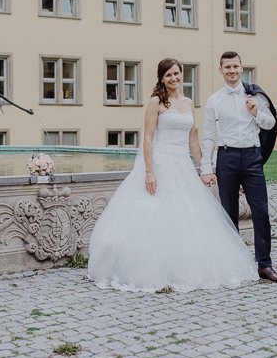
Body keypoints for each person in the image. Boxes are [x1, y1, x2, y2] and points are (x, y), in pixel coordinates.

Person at [87, 58, 257, 292]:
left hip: (182, 166)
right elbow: (147, 139)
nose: (174, 78)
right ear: (161, 78)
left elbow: (192, 140)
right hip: (160, 163)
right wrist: (149, 172)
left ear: (181, 75)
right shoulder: (156, 102)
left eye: (176, 73)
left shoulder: (188, 103)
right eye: (168, 75)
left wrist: (203, 167)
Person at [200, 51, 277, 284]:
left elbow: (271, 123)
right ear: (220, 70)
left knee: (261, 211)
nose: (232, 71)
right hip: (226, 157)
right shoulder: (214, 100)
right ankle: (234, 264)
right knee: (229, 214)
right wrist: (205, 167)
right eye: (227, 67)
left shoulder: (255, 95)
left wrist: (256, 111)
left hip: (251, 156)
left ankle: (265, 265)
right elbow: (208, 136)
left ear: (241, 68)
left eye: (235, 66)